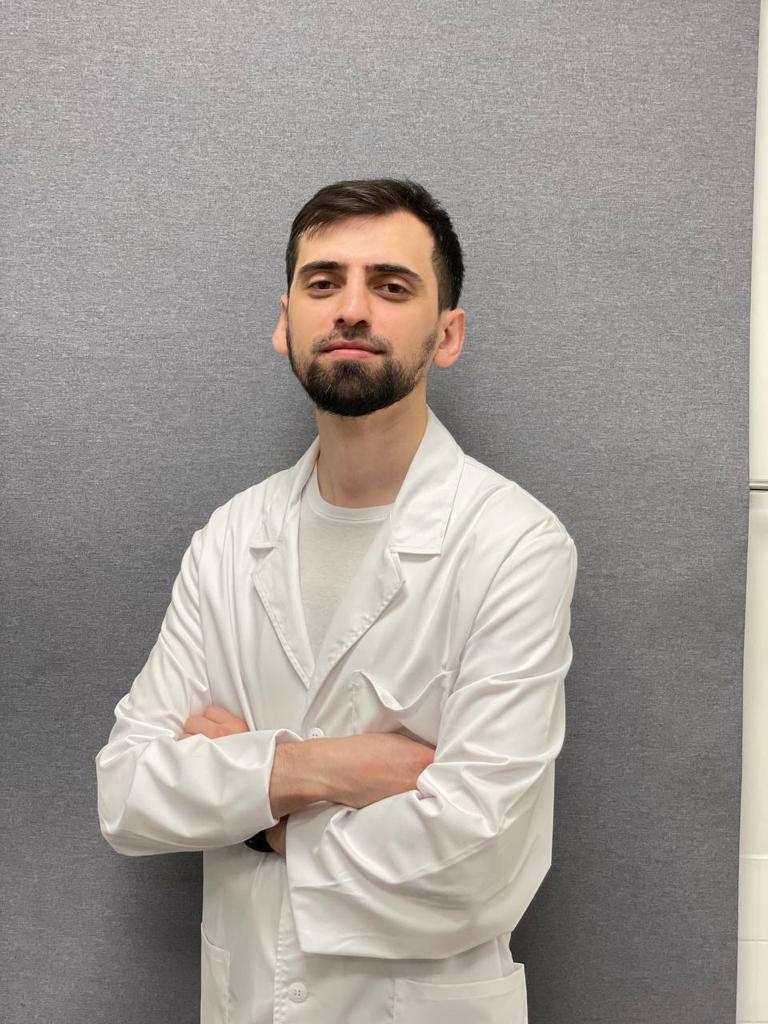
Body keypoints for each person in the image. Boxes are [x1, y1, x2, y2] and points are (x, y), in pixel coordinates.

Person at [95, 177, 578, 1024]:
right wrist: (323, 769)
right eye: (323, 283)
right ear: (286, 322)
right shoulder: (230, 538)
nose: (352, 309)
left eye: (391, 286)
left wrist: (256, 813)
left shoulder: (514, 545)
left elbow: (478, 864)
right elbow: (127, 793)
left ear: (447, 333)